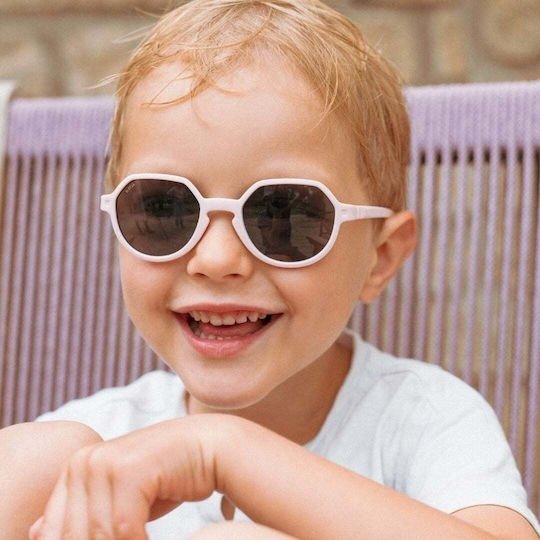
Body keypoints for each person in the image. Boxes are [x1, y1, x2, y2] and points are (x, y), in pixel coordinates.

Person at [1, 0, 539, 538]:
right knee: (39, 459)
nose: (216, 260)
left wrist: (223, 450)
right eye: (165, 209)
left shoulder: (420, 420)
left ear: (380, 258)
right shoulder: (101, 439)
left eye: (283, 213)